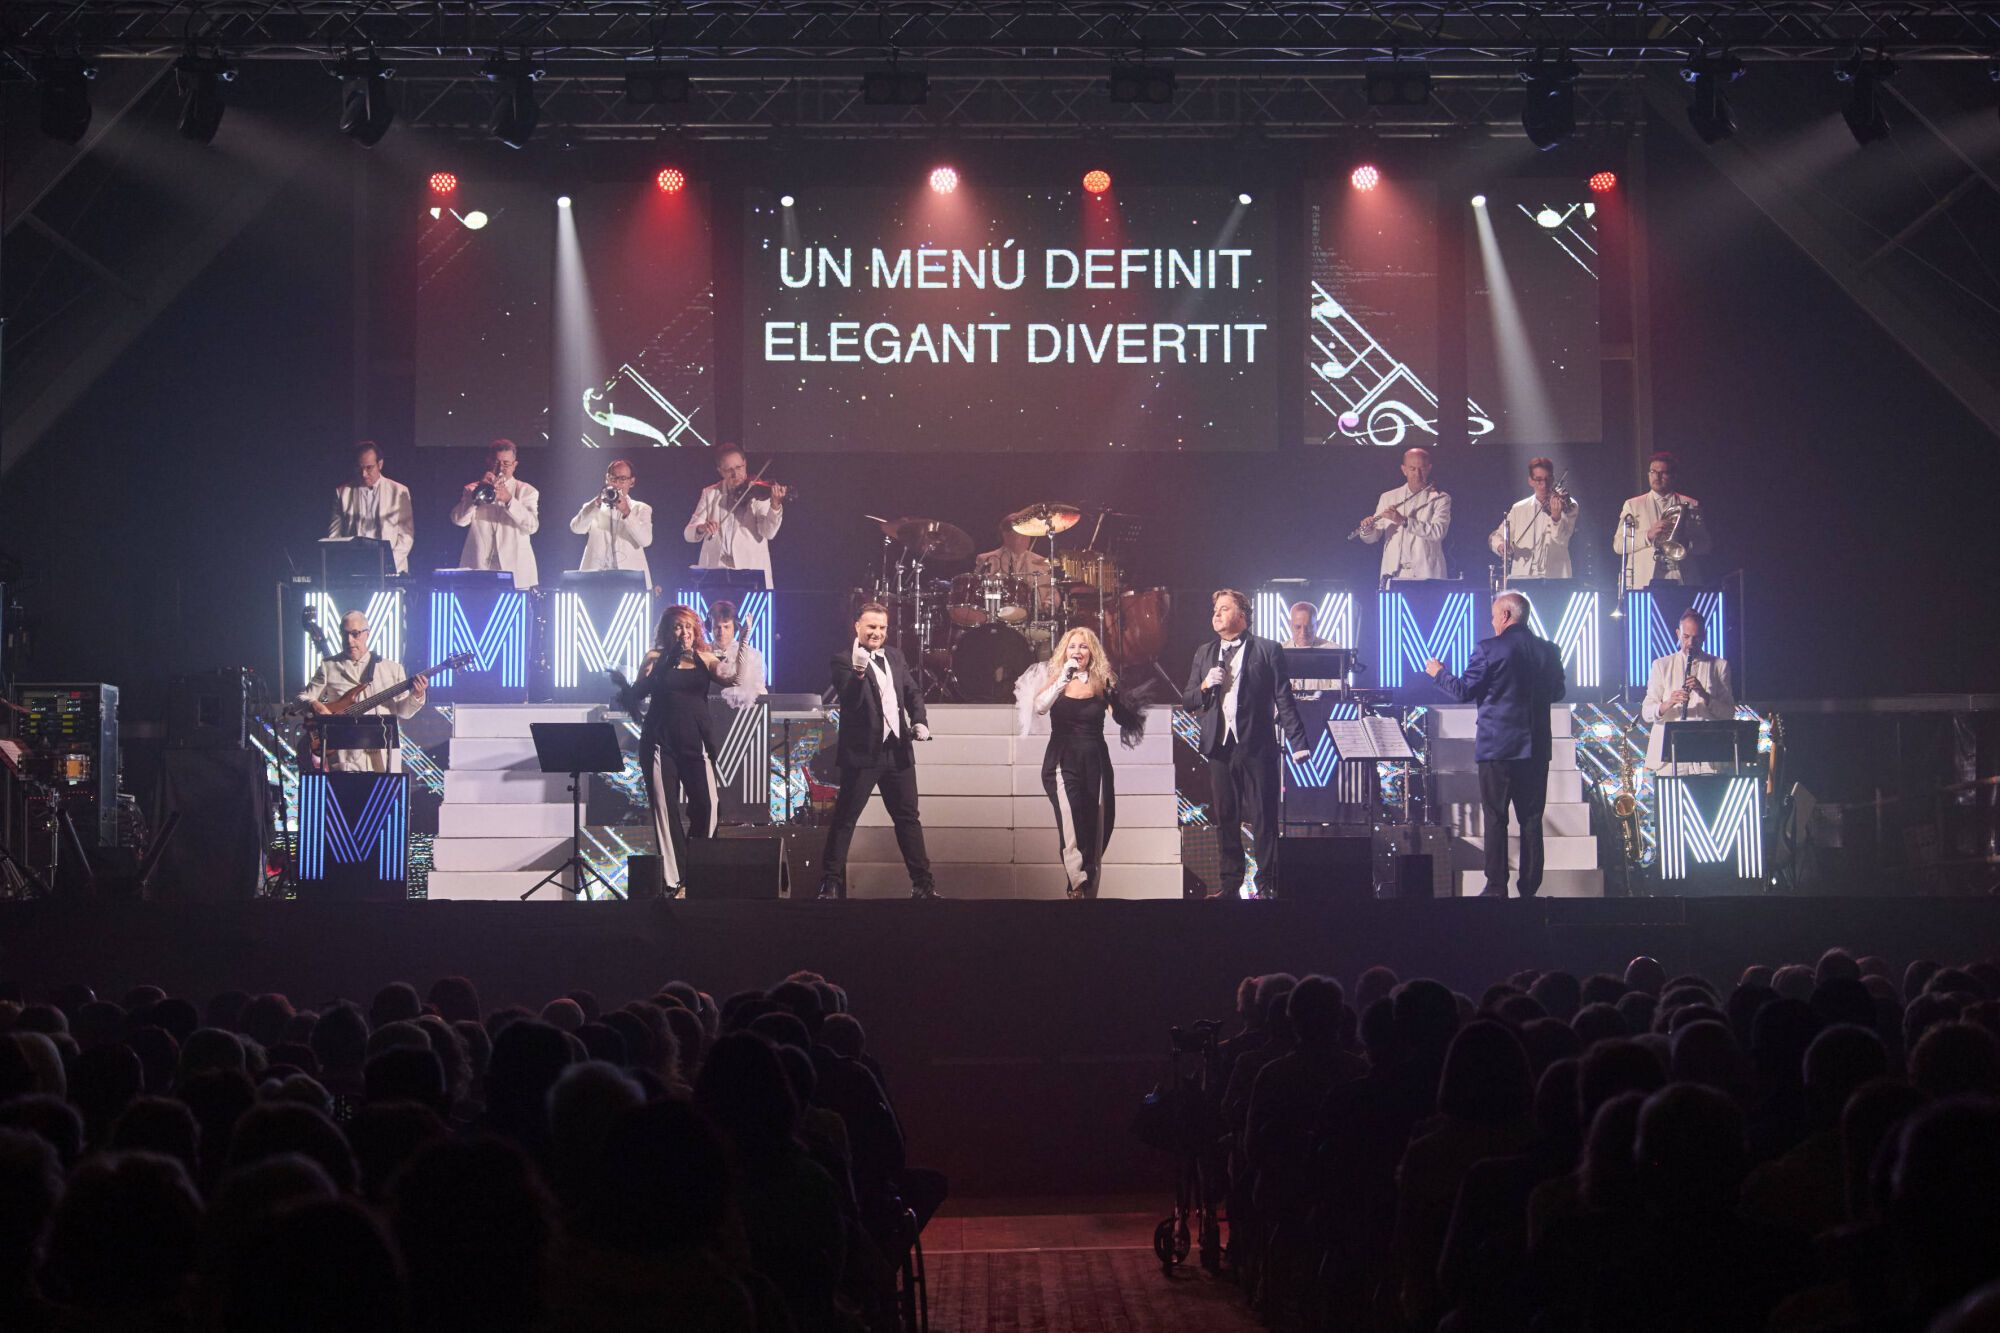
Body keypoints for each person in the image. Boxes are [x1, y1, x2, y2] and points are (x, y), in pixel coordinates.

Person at [1424, 591, 1567, 897]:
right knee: (1531, 820)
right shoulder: (1549, 651)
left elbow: (1463, 691)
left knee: (1495, 817)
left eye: (1493, 616)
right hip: (1535, 749)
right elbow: (1557, 693)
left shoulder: (1489, 649)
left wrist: (1439, 674)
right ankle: (1529, 888)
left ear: (1505, 615)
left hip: (1497, 747)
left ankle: (1496, 887)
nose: (1491, 622)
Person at [1180, 589, 1314, 900]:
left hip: (1256, 746)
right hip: (1219, 745)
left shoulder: (1268, 650)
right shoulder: (1204, 652)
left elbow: (1284, 698)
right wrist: (1204, 685)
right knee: (1226, 816)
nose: (1217, 614)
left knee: (1264, 817)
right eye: (1215, 609)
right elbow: (1188, 699)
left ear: (1242, 615)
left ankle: (1267, 885)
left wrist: (1299, 742)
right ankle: (1230, 885)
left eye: (1224, 609)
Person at [817, 603, 937, 901]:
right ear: (856, 626)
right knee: (846, 818)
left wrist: (919, 721)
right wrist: (858, 672)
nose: (877, 633)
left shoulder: (895, 656)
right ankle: (830, 884)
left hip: (897, 751)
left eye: (882, 628)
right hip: (863, 753)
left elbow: (912, 692)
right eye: (871, 627)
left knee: (908, 818)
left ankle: (923, 885)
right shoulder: (842, 660)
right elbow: (850, 700)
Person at [1020, 627, 1146, 900]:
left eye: (1084, 647)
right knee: (1072, 818)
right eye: (1073, 646)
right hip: (1062, 759)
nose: (1078, 651)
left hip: (1095, 760)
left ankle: (1085, 886)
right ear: (1065, 650)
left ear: (1092, 653)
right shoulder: (1056, 677)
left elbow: (1124, 719)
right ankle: (1077, 881)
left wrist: (1117, 699)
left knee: (1097, 824)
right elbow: (1040, 706)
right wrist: (1063, 678)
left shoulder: (1102, 681)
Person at [623, 606, 722, 893]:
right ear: (668, 631)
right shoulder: (655, 658)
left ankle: (698, 871)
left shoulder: (705, 658)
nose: (684, 632)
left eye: (689, 626)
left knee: (708, 806)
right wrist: (659, 670)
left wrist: (743, 656)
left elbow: (730, 678)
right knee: (665, 811)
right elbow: (635, 694)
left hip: (696, 741)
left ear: (697, 630)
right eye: (678, 627)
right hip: (659, 740)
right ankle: (676, 881)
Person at [297, 611, 428, 774]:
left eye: (355, 634)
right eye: (344, 635)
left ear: (367, 634)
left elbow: (404, 712)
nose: (349, 640)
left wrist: (417, 695)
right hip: (346, 760)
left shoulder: (393, 669)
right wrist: (317, 706)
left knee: (383, 800)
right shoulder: (329, 666)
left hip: (384, 760)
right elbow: (302, 698)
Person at [1642, 607, 1736, 775]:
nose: (1691, 643)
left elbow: (1728, 713)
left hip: (1708, 757)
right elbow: (1647, 713)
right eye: (1686, 637)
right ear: (1678, 633)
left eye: (1696, 638)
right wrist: (1669, 702)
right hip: (1669, 756)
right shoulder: (1661, 665)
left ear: (1704, 636)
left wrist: (1705, 696)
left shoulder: (1720, 666)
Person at [684, 444, 786, 589]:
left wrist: (775, 506)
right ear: (720, 471)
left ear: (745, 464)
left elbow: (768, 533)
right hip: (715, 572)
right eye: (729, 470)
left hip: (750, 572)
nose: (735, 474)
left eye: (739, 467)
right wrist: (701, 528)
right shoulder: (710, 493)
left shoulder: (758, 493)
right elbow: (688, 533)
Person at [450, 439, 541, 590]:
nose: (501, 468)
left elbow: (532, 526)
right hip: (479, 567)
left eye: (506, 464)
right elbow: (459, 520)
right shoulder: (471, 489)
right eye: (497, 462)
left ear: (515, 465)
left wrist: (509, 500)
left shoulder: (527, 491)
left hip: (516, 570)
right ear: (489, 462)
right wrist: (476, 495)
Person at [1612, 451, 1709, 588]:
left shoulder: (1691, 504)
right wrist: (1648, 535)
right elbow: (1618, 545)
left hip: (1681, 578)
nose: (1657, 476)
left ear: (1673, 476)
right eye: (1653, 471)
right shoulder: (1633, 505)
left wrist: (1685, 543)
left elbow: (1705, 545)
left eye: (1663, 473)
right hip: (1645, 580)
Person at [1357, 445, 1452, 583]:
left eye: (1422, 469)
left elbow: (1438, 532)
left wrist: (1403, 521)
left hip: (1427, 574)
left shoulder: (1440, 498)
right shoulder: (1388, 497)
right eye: (1412, 469)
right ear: (1404, 470)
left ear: (1429, 468)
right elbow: (1373, 537)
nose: (1417, 474)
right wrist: (1368, 529)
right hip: (1394, 574)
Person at [326, 441, 414, 574]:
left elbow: (406, 536)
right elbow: (334, 537)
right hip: (354, 571)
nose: (363, 474)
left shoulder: (399, 491)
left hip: (391, 570)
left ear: (380, 464)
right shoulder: (342, 492)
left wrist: (387, 564)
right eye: (359, 468)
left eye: (369, 468)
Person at [1489, 457, 1578, 581]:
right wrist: (1501, 545)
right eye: (1539, 480)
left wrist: (1556, 518)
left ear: (1553, 479)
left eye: (1547, 479)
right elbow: (1496, 536)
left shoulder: (1569, 505)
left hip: (1556, 577)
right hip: (1522, 576)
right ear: (1530, 481)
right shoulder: (1519, 508)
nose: (1544, 484)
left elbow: (1562, 539)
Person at [568, 458, 652, 582]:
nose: (617, 483)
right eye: (613, 478)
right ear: (607, 479)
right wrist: (597, 502)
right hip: (595, 578)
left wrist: (626, 512)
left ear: (632, 482)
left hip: (630, 579)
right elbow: (576, 528)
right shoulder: (593, 507)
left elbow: (645, 541)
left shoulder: (641, 508)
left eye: (622, 479)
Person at [708, 600, 766, 709]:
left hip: (742, 715)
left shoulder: (753, 655)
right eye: (717, 627)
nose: (721, 632)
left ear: (735, 627)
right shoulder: (702, 653)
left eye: (726, 627)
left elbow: (760, 694)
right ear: (709, 627)